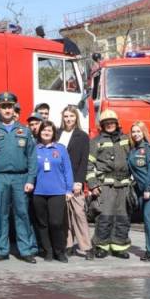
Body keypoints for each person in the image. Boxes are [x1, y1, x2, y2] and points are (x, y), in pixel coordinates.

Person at [0, 92, 39, 263]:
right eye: (4, 107)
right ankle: (2, 250)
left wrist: (30, 180)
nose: (7, 110)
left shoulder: (24, 131)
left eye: (10, 106)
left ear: (14, 109)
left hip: (21, 178)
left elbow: (32, 157)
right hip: (0, 178)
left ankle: (25, 250)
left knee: (22, 214)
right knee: (1, 214)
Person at [87, 109, 132, 259]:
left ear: (117, 123)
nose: (110, 125)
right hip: (105, 185)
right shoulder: (96, 141)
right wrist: (93, 184)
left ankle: (119, 247)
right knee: (104, 217)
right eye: (106, 123)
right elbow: (89, 165)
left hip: (124, 185)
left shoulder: (126, 139)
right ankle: (101, 246)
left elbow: (138, 155)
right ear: (102, 125)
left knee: (122, 217)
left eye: (112, 122)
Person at [33, 121, 74, 263]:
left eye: (49, 130)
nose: (46, 132)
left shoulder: (61, 149)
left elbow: (68, 170)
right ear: (39, 132)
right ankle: (48, 250)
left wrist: (69, 189)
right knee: (42, 223)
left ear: (53, 133)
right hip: (38, 192)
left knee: (56, 223)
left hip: (57, 191)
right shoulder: (34, 148)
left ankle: (59, 251)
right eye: (44, 130)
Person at [127, 121, 150, 262]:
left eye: (138, 131)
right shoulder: (132, 149)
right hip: (142, 188)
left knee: (149, 216)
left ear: (144, 133)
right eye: (133, 132)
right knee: (147, 217)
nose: (136, 134)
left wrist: (148, 189)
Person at [59, 105, 93, 259]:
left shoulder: (82, 136)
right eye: (66, 116)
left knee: (79, 213)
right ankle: (68, 245)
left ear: (76, 117)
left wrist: (79, 181)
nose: (68, 119)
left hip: (74, 180)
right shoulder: (57, 134)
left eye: (71, 116)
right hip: (59, 180)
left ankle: (86, 246)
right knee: (64, 215)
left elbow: (83, 161)